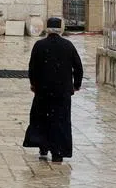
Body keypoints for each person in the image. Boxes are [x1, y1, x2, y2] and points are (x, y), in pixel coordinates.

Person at [22, 17, 83, 163]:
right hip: (62, 92)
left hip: (43, 91)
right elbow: (78, 67)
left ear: (47, 29)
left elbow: (33, 67)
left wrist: (33, 84)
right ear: (60, 29)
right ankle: (58, 152)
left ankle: (43, 147)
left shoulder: (39, 45)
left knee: (43, 119)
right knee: (60, 121)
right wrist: (76, 85)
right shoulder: (68, 46)